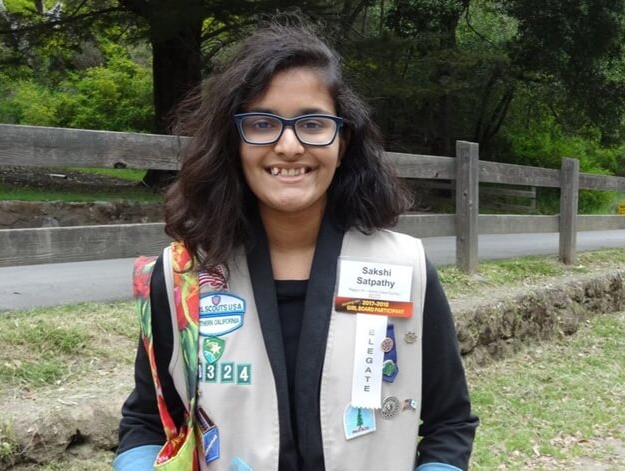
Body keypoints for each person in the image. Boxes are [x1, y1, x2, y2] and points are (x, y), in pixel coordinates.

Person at [114, 16, 478, 471]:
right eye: (263, 123)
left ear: (342, 142)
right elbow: (148, 419)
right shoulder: (180, 276)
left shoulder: (406, 267)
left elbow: (449, 421)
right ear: (235, 140)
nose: (289, 146)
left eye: (313, 122)